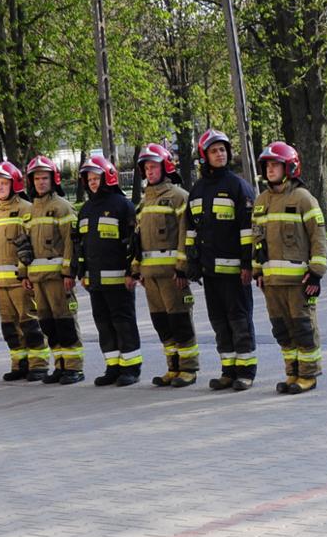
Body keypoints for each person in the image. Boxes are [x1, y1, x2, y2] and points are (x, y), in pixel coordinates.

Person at [252, 141, 327, 394]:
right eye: (267, 165)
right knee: (282, 330)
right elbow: (256, 240)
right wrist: (257, 271)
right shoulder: (261, 201)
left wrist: (316, 274)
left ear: (290, 168)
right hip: (272, 283)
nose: (270, 169)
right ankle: (292, 373)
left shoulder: (303, 198)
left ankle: (308, 375)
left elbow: (318, 237)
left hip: (299, 282)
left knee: (303, 328)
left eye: (276, 165)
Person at [187, 129, 259, 391]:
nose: (220, 154)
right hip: (210, 272)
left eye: (223, 150)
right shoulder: (196, 190)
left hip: (234, 272)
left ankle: (246, 371)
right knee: (219, 322)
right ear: (204, 156)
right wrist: (191, 262)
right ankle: (228, 370)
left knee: (240, 321)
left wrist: (247, 264)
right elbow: (191, 230)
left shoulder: (238, 187)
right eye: (214, 150)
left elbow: (248, 230)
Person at [130, 144, 200, 387]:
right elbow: (138, 240)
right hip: (150, 276)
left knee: (180, 321)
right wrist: (137, 268)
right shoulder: (144, 202)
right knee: (162, 323)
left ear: (165, 167)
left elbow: (185, 234)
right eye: (146, 168)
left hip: (172, 276)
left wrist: (182, 268)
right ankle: (173, 367)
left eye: (154, 166)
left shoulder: (179, 197)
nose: (150, 171)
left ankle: (188, 369)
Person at [73, 154, 142, 386]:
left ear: (108, 177)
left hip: (119, 280)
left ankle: (131, 368)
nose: (93, 182)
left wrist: (132, 272)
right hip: (95, 281)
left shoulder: (122, 206)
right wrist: (82, 272)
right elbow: (81, 244)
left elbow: (133, 242)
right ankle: (113, 366)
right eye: (89, 179)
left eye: (96, 178)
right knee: (103, 324)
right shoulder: (86, 209)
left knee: (123, 323)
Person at [24, 156, 84, 384]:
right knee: (49, 324)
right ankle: (60, 365)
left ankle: (74, 368)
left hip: (58, 279)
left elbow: (71, 242)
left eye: (44, 178)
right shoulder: (31, 210)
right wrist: (24, 273)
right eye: (37, 179)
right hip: (38, 279)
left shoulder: (62, 207)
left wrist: (69, 273)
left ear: (53, 180)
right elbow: (24, 246)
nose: (40, 182)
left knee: (65, 322)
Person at [0, 160, 43, 381]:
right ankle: (19, 364)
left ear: (14, 184)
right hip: (2, 284)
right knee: (10, 327)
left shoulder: (26, 209)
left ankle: (38, 365)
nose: (0, 187)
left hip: (21, 282)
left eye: (4, 183)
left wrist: (26, 274)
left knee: (30, 324)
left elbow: (31, 245)